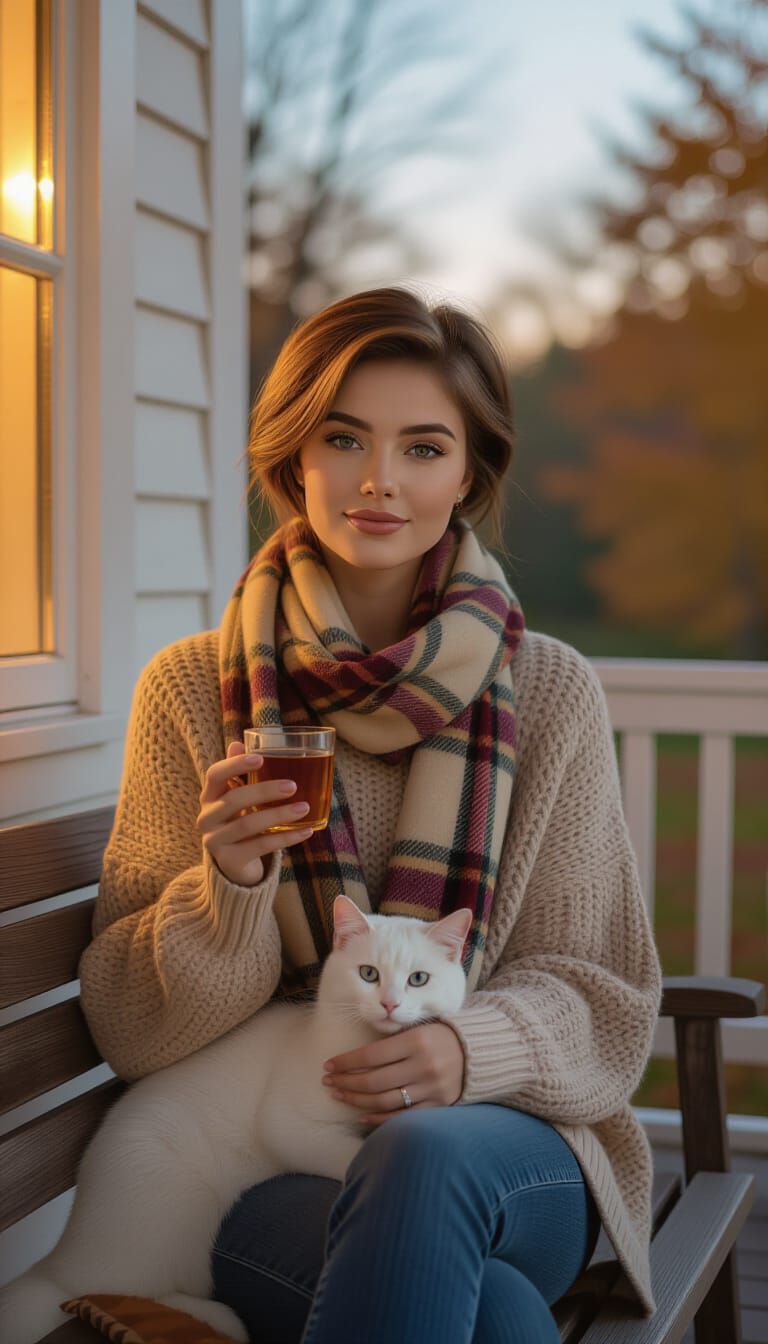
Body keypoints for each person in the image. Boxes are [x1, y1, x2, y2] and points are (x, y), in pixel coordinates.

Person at [79, 285, 663, 1344]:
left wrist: (466, 1051)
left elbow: (603, 995)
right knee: (489, 1318)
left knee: (425, 1152)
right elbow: (133, 1032)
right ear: (293, 458)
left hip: (511, 1152)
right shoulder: (192, 691)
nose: (379, 480)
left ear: (469, 477)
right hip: (275, 1152)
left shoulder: (554, 692)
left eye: (424, 448)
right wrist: (234, 891)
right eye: (344, 437)